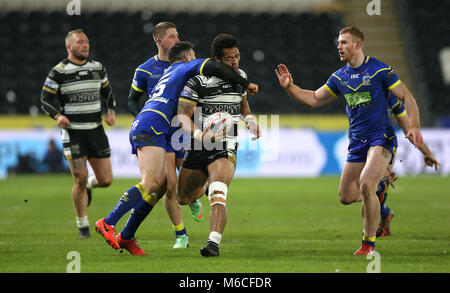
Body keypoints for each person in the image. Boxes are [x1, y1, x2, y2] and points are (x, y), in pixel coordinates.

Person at [95, 41, 258, 255]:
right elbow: (214, 68)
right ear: (190, 57)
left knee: (161, 186)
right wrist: (245, 83)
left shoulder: (171, 72)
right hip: (156, 122)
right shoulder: (188, 69)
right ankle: (108, 222)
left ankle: (126, 235)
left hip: (153, 121)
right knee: (152, 182)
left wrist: (248, 117)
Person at [275, 26, 424, 255]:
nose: (339, 46)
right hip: (357, 142)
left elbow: (406, 96)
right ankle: (380, 186)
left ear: (358, 45)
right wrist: (290, 88)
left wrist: (413, 126)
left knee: (366, 183)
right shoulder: (339, 77)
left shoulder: (379, 70)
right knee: (346, 196)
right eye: (338, 43)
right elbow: (314, 98)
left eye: (344, 42)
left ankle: (368, 243)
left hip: (381, 138)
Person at [176, 33, 261, 257]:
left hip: (226, 144)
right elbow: (183, 116)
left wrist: (250, 121)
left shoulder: (240, 76)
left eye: (237, 56)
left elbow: (244, 107)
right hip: (199, 144)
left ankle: (213, 243)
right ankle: (203, 188)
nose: (235, 62)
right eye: (229, 58)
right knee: (183, 198)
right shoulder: (198, 82)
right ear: (216, 60)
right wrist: (198, 134)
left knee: (218, 190)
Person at [127, 22, 203, 249]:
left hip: (182, 126)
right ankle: (181, 234)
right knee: (169, 184)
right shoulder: (145, 69)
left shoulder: (184, 65)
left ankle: (193, 197)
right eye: (172, 36)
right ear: (159, 41)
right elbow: (132, 98)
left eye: (178, 35)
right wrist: (142, 116)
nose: (177, 39)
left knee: (190, 173)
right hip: (160, 131)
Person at [41, 29, 116, 238]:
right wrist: (57, 116)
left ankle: (89, 186)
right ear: (69, 46)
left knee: (106, 180)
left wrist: (110, 111)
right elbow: (45, 99)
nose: (85, 45)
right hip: (73, 134)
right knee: (79, 177)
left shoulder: (98, 68)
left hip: (96, 131)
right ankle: (83, 226)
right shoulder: (59, 71)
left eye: (87, 41)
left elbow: (108, 93)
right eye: (80, 42)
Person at [375, 94, 440, 236]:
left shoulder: (390, 98)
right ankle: (385, 213)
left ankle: (368, 237)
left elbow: (409, 131)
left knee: (374, 185)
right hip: (358, 146)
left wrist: (427, 153)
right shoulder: (353, 91)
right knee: (351, 195)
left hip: (383, 145)